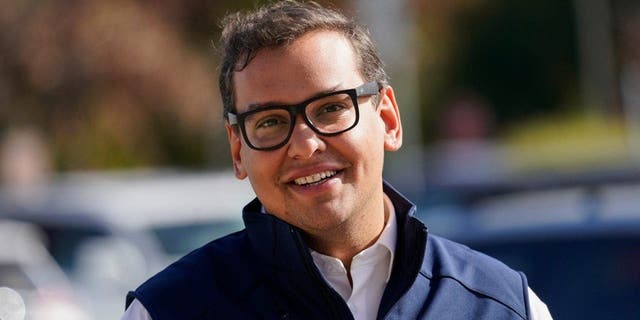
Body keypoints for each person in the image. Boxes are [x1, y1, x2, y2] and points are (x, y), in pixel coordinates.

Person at [121, 1, 553, 319]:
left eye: (330, 108)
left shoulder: (505, 306)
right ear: (238, 151)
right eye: (270, 122)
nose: (305, 145)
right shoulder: (167, 311)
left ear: (388, 119)